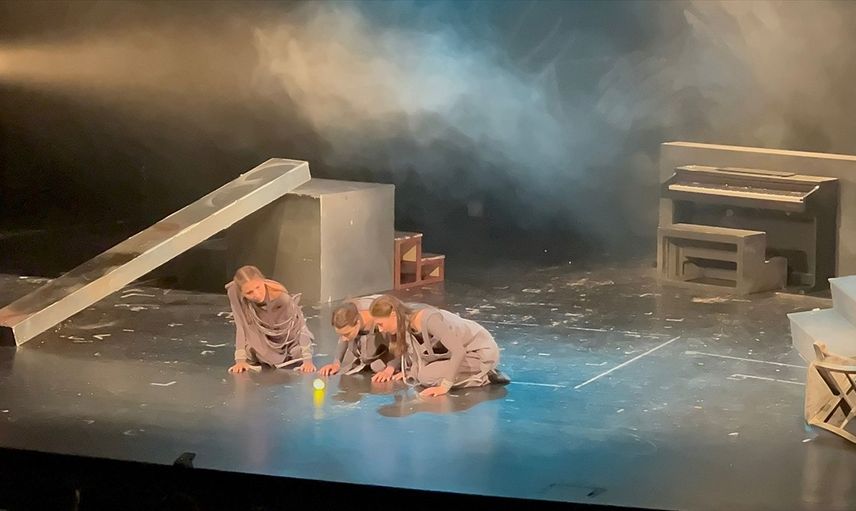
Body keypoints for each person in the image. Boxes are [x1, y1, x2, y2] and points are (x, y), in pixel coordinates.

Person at [369, 295, 509, 397]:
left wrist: (444, 387)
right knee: (422, 374)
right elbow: (417, 353)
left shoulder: (429, 319)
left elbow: (458, 351)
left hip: (479, 353)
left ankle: (485, 376)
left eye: (381, 324)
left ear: (393, 315)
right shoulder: (406, 320)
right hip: (462, 353)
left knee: (428, 377)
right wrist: (411, 372)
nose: (381, 330)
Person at [226, 265, 315, 374]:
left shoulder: (282, 298)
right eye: (249, 293)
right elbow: (240, 325)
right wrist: (240, 360)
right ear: (242, 292)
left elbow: (300, 327)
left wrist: (307, 360)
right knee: (250, 351)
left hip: (286, 337)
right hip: (262, 337)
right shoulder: (234, 291)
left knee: (297, 352)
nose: (257, 294)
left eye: (258, 287)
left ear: (263, 281)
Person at [318, 295, 400, 383]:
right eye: (341, 335)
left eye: (347, 334)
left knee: (378, 366)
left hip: (392, 343)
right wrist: (336, 363)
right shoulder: (349, 313)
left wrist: (390, 368)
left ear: (357, 323)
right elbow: (343, 338)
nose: (344, 339)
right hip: (370, 345)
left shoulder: (381, 319)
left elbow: (402, 343)